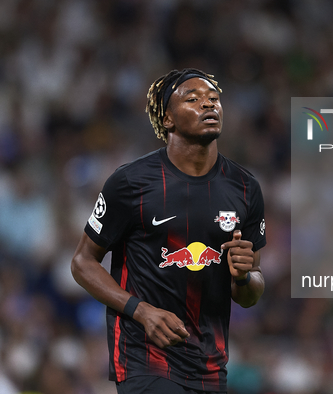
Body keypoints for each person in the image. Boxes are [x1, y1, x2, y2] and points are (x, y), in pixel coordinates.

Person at [71, 68, 266, 394]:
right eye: (193, 99)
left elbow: (249, 294)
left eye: (214, 99)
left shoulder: (245, 188)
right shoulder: (130, 182)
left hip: (209, 365)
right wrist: (141, 310)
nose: (208, 105)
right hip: (143, 355)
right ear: (167, 120)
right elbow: (82, 263)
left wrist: (246, 276)